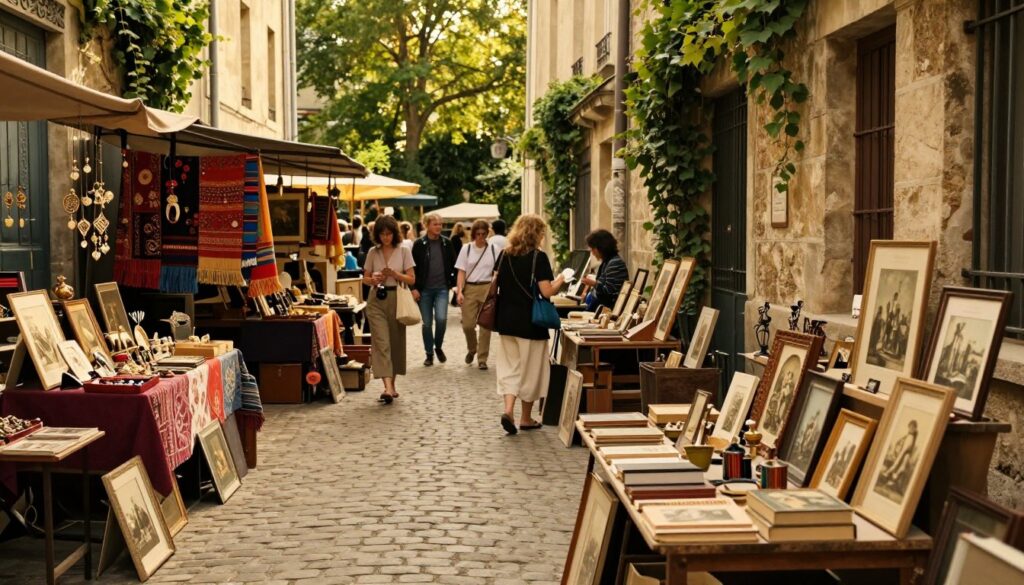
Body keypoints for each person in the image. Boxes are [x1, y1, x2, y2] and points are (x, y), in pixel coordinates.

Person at [494, 213, 569, 435]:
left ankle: (508, 410)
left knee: (510, 368)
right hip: (531, 322)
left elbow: (495, 284)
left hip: (506, 321)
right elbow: (546, 291)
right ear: (537, 234)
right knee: (531, 371)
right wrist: (562, 280)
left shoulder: (504, 255)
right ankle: (525, 418)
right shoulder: (538, 257)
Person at [362, 216, 416, 404]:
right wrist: (374, 279)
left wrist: (394, 274)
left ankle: (392, 384)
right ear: (377, 234)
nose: (386, 238)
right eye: (382, 234)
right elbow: (365, 278)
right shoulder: (372, 252)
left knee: (395, 342)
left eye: (389, 234)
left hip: (397, 298)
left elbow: (411, 279)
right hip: (376, 299)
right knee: (382, 342)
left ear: (394, 233)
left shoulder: (404, 251)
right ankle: (388, 387)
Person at [411, 213, 457, 366]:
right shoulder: (419, 244)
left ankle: (438, 346)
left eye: (440, 224)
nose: (438, 227)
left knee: (442, 319)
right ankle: (429, 354)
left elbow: (454, 265)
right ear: (427, 225)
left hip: (442, 288)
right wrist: (414, 288)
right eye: (435, 224)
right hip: (424, 290)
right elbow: (411, 269)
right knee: (427, 323)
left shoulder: (447, 243)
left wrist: (454, 283)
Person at [455, 220, 498, 370]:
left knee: (486, 325)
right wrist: (459, 291)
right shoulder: (466, 249)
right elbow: (461, 271)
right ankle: (472, 348)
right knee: (468, 325)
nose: (480, 237)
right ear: (473, 234)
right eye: (478, 234)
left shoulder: (494, 249)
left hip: (487, 287)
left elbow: (497, 271)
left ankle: (482, 358)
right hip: (470, 288)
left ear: (487, 233)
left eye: (483, 234)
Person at [580, 229, 629, 311]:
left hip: (607, 309)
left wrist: (593, 283)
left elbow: (609, 293)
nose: (592, 252)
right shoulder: (607, 262)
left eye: (593, 249)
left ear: (601, 248)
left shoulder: (615, 263)